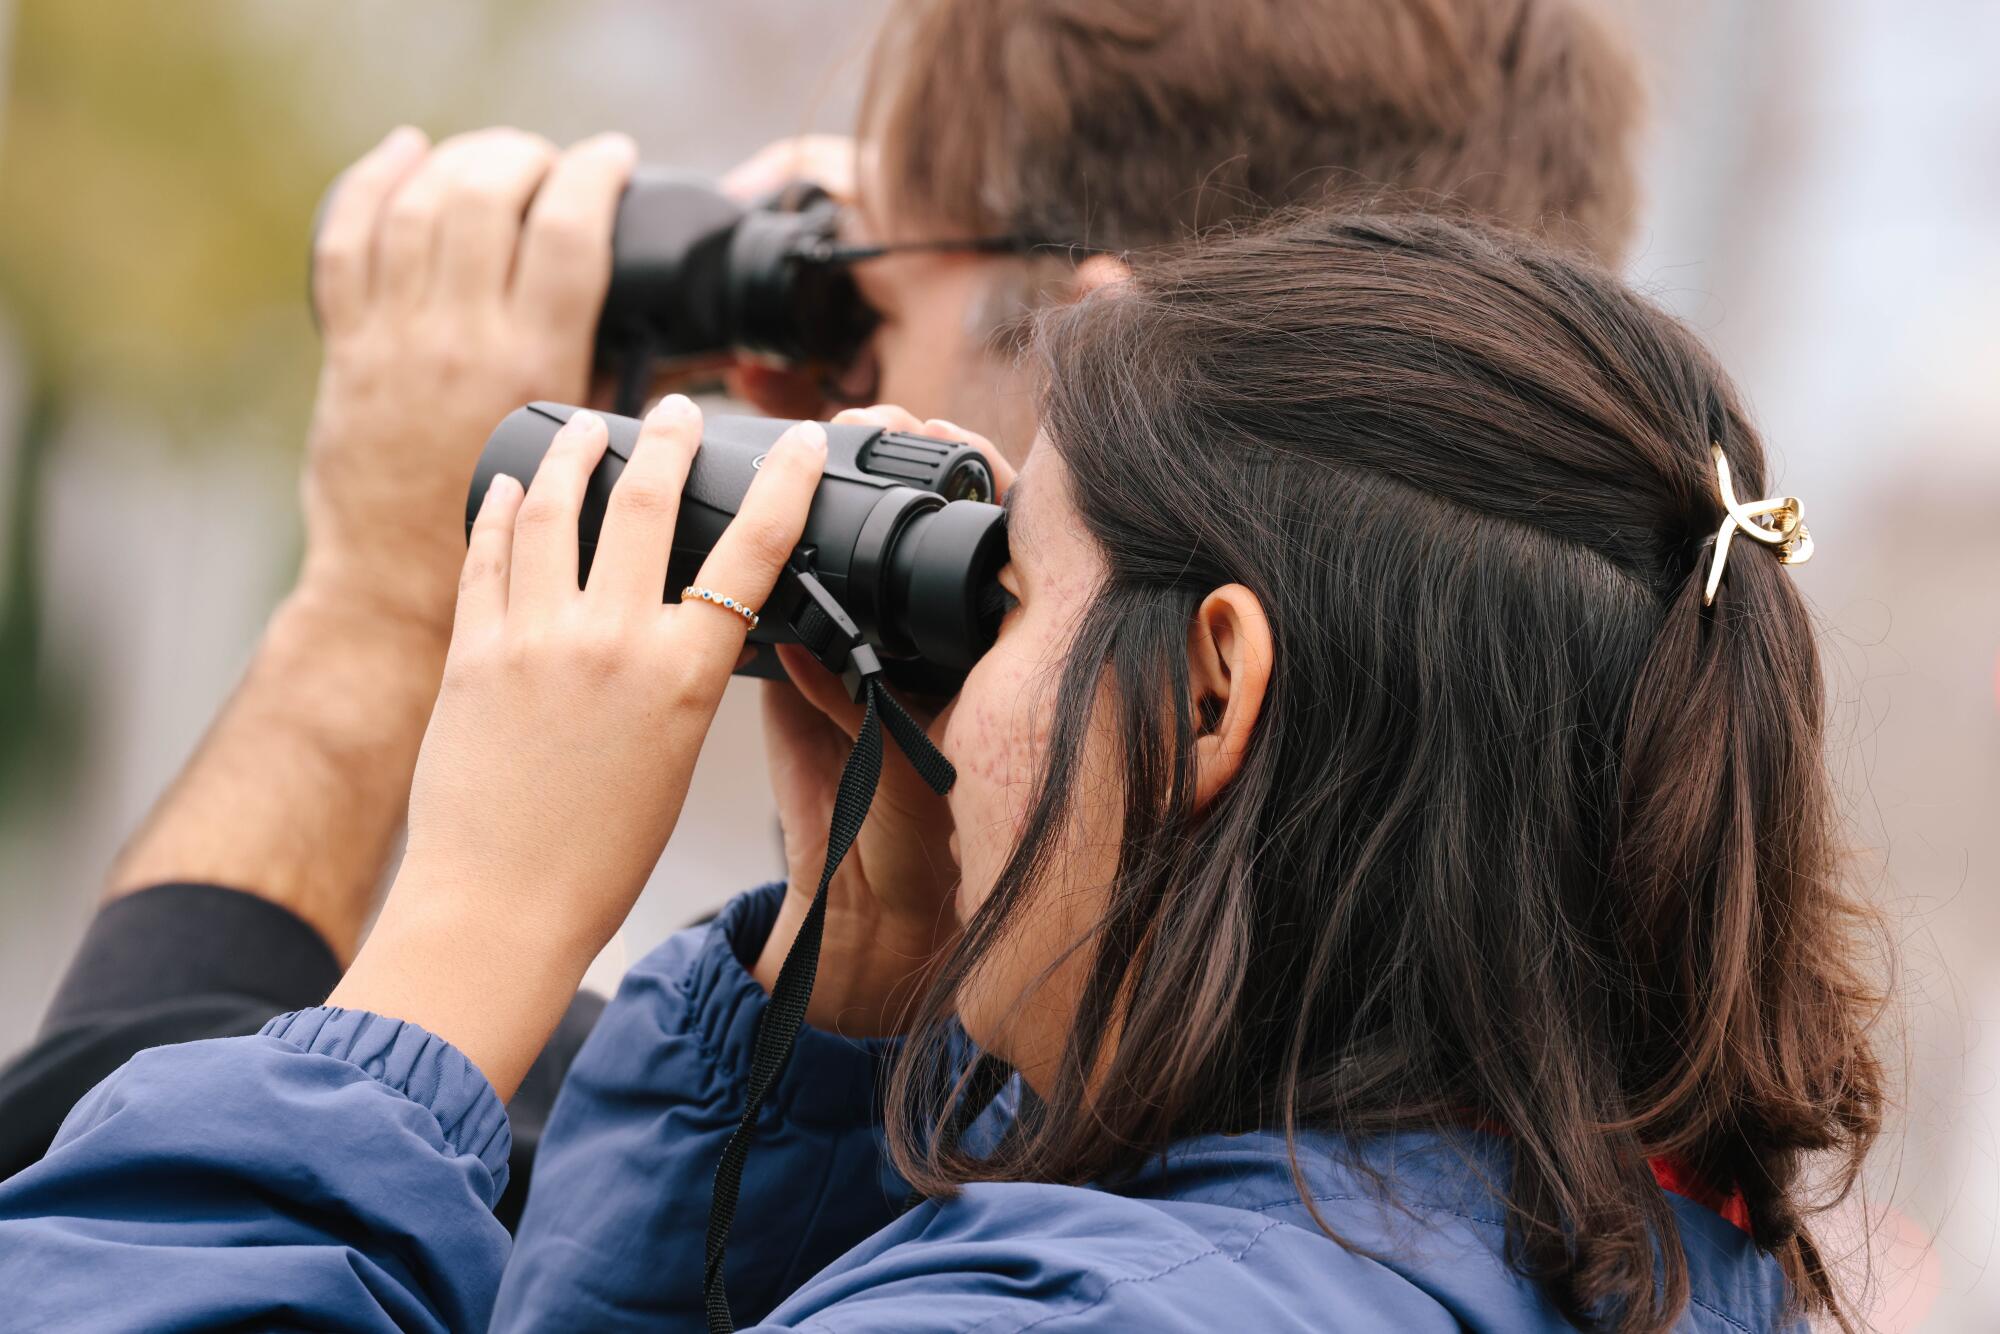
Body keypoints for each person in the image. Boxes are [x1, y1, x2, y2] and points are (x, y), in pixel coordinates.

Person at [0, 211, 1885, 1333]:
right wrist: (848, 1007)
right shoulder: (1609, 1251)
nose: (962, 689)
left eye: (1021, 581)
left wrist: (456, 952)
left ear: (1213, 688)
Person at [0, 0, 1645, 1207]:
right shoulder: (1511, 1169)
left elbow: (101, 1194)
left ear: (1088, 324)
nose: (827, 364)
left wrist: (374, 598)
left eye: (860, 269)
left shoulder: (927, 1196)